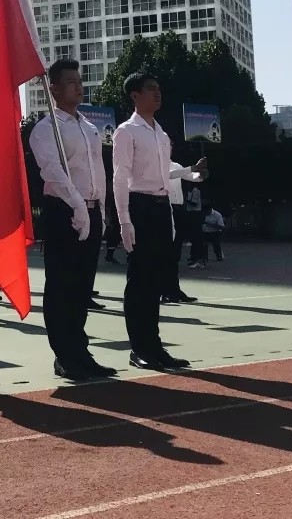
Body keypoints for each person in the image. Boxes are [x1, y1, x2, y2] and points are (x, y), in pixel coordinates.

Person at [28, 59, 115, 382]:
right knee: (61, 286)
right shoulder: (46, 128)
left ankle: (80, 351)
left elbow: (99, 172)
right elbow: (51, 170)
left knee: (82, 287)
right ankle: (64, 355)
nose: (79, 87)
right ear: (53, 89)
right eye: (70, 82)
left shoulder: (89, 127)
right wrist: (77, 203)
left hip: (91, 210)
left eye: (79, 81)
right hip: (63, 210)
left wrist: (100, 210)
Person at [112, 72, 205, 371]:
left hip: (162, 206)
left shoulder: (161, 134)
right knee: (139, 280)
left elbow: (164, 173)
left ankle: (154, 346)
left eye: (158, 88)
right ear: (135, 95)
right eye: (150, 89)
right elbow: (119, 177)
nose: (157, 93)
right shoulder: (126, 132)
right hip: (140, 205)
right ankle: (139, 348)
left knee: (155, 281)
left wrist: (190, 173)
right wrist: (124, 221)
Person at [164, 159, 205, 303]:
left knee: (175, 251)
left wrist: (200, 175)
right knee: (166, 250)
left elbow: (189, 176)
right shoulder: (156, 163)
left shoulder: (175, 164)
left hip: (178, 208)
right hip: (165, 207)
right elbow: (170, 174)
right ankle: (165, 289)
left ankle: (173, 289)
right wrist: (193, 167)